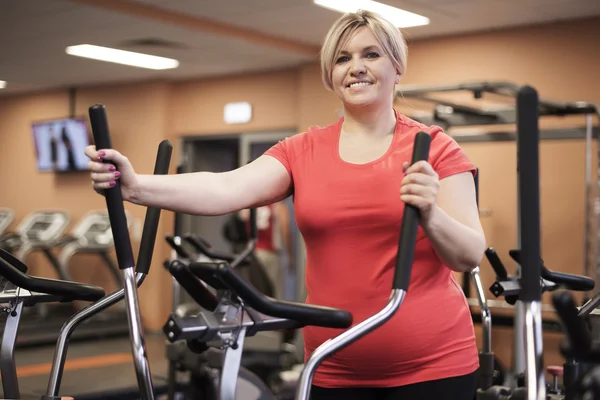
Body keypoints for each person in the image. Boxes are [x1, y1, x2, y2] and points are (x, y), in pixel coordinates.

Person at [85, 9, 485, 400]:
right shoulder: (303, 150)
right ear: (331, 74)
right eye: (343, 58)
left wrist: (430, 213)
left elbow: (468, 254)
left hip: (433, 368)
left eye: (371, 54)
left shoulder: (433, 148)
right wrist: (135, 187)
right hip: (332, 366)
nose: (356, 67)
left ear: (397, 68)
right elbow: (224, 188)